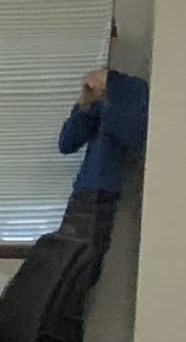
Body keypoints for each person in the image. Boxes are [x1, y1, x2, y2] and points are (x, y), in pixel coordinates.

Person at [58, 59, 147, 248]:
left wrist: (103, 106)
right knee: (76, 252)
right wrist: (85, 106)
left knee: (85, 253)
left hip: (107, 189)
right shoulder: (96, 106)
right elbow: (67, 143)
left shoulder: (133, 94)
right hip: (86, 188)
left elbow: (133, 135)